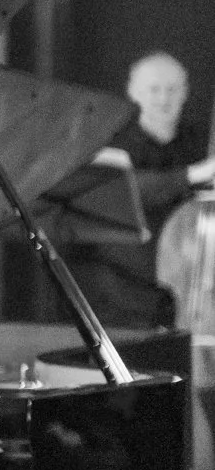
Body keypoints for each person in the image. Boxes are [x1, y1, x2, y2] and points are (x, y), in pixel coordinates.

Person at [72, 51, 214, 330]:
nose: (164, 99)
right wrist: (193, 175)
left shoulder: (196, 143)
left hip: (187, 289)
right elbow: (127, 190)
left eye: (172, 90)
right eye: (154, 89)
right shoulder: (111, 141)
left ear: (184, 93)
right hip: (124, 293)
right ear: (133, 93)